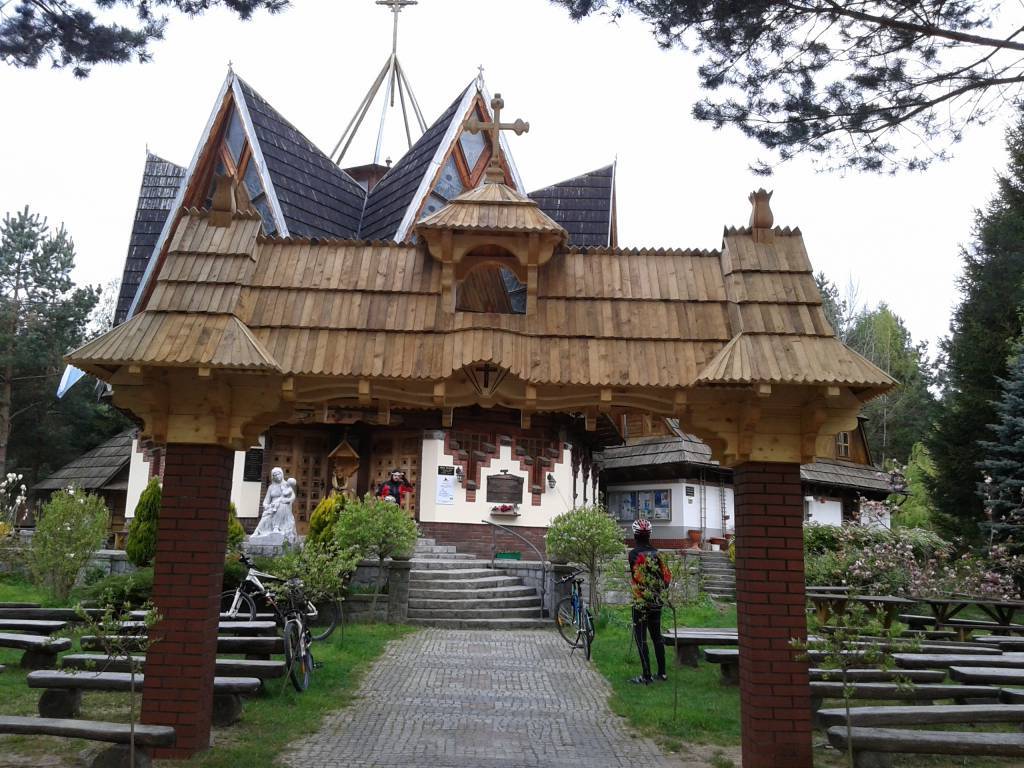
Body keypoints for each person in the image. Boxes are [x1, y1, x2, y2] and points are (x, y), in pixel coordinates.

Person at [628, 517, 671, 684]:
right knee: (656, 637)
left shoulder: (633, 554)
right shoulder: (658, 554)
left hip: (641, 601)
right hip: (656, 600)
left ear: (635, 535)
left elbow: (637, 577)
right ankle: (662, 673)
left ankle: (646, 676)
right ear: (650, 535)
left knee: (641, 639)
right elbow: (666, 578)